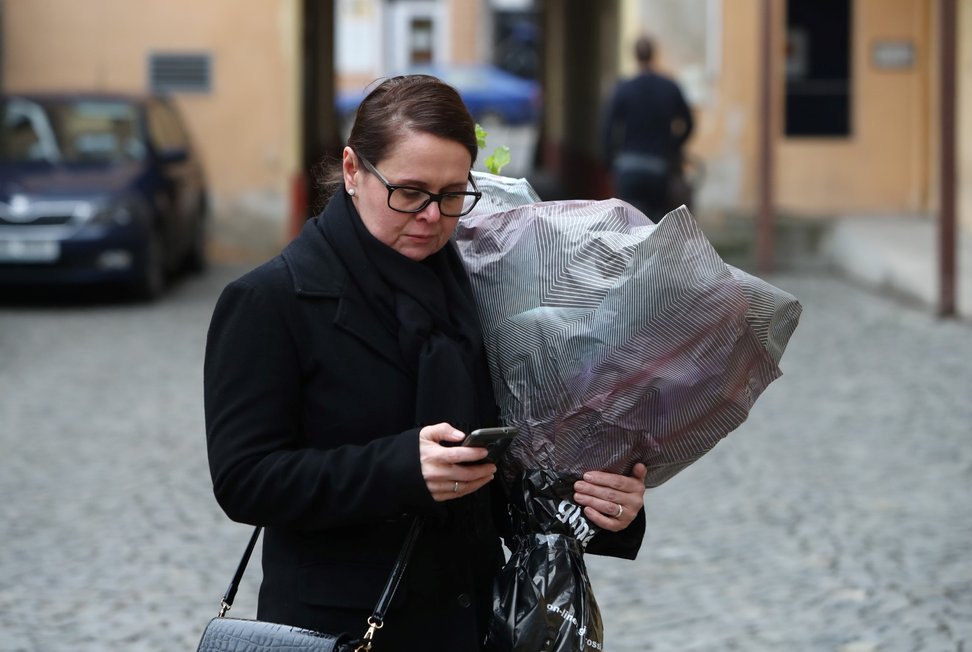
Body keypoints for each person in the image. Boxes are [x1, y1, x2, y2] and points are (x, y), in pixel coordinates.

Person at [204, 74, 649, 650]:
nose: (432, 217)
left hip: (472, 622)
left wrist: (603, 502)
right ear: (352, 171)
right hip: (339, 628)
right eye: (410, 192)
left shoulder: (484, 287)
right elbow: (245, 480)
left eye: (452, 195)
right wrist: (399, 469)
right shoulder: (271, 301)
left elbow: (510, 465)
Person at [602, 34, 694, 222]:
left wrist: (610, 162)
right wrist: (673, 146)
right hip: (658, 168)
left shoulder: (624, 88)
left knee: (629, 226)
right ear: (653, 55)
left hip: (628, 168)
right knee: (656, 225)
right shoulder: (669, 87)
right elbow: (689, 123)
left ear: (635, 56)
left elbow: (606, 129)